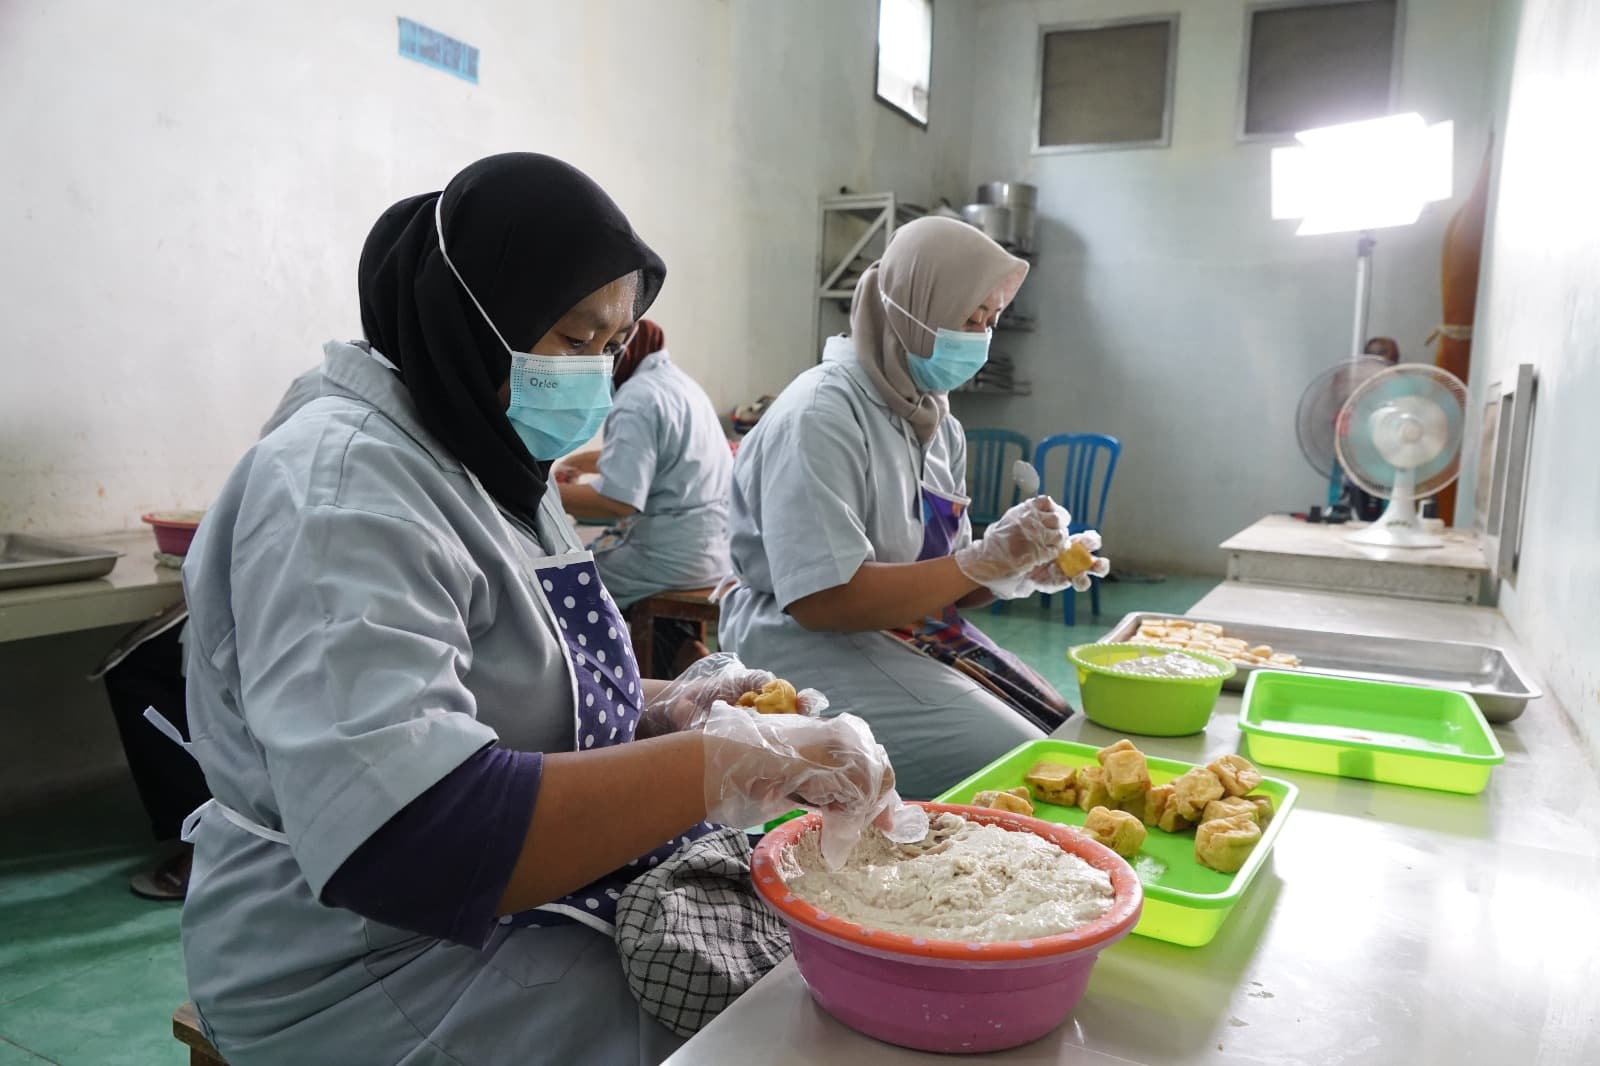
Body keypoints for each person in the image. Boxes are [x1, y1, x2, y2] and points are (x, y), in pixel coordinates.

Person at [173, 153, 900, 1066]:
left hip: (500, 907)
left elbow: (521, 669)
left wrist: (667, 706)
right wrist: (715, 764)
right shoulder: (344, 487)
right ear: (472, 318)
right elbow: (409, 836)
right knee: (771, 1039)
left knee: (812, 978)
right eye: (570, 337)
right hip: (363, 958)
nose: (593, 374)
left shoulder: (488, 452)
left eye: (610, 346)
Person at [718, 217, 1107, 800]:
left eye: (990, 322)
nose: (980, 337)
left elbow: (944, 583)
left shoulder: (934, 421)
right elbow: (823, 599)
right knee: (1020, 766)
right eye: (969, 318)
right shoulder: (822, 413)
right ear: (912, 307)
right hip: (800, 640)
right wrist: (982, 562)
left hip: (899, 630)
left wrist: (1015, 567)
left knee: (1056, 729)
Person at [98, 366, 325, 900]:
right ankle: (205, 827)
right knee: (143, 660)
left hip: (315, 582)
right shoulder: (338, 384)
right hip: (286, 565)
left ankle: (220, 837)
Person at [554, 320, 733, 675]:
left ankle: (599, 690)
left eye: (603, 349)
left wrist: (544, 491)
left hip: (667, 557)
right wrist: (582, 462)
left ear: (624, 349)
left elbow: (617, 502)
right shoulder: (679, 384)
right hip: (713, 551)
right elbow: (652, 460)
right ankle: (687, 657)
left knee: (563, 587)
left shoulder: (638, 399)